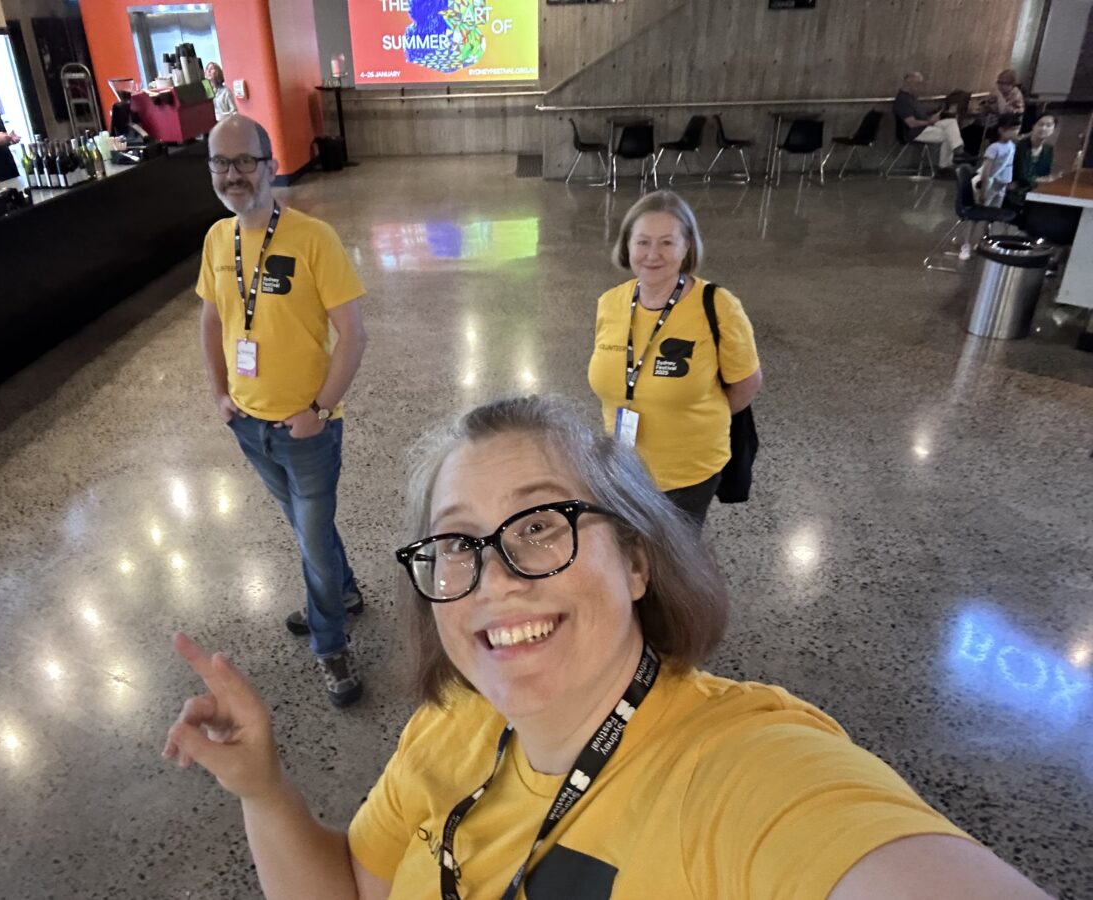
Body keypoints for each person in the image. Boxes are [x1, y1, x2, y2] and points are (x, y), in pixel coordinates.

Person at [163, 395, 1051, 899]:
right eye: (457, 542)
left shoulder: (745, 773)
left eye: (542, 526)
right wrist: (264, 790)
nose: (493, 578)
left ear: (634, 557)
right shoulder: (452, 728)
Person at [196, 114, 369, 707]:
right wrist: (221, 394)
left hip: (306, 428)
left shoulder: (313, 238)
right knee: (306, 527)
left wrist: (319, 409)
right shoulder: (218, 240)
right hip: (248, 426)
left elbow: (353, 335)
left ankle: (331, 644)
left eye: (245, 161)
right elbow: (213, 318)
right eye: (221, 163)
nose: (233, 174)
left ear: (271, 165)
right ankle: (343, 592)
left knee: (312, 538)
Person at [587, 191, 761, 527]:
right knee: (628, 560)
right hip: (623, 468)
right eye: (642, 242)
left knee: (672, 569)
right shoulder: (610, 302)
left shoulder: (719, 305)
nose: (653, 254)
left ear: (687, 248)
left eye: (667, 242)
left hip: (687, 474)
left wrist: (689, 416)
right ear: (628, 247)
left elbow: (746, 384)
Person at [892, 71, 965, 170]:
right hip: (915, 132)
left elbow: (920, 115)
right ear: (909, 82)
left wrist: (935, 113)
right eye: (917, 83)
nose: (919, 87)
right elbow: (912, 123)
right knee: (950, 134)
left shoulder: (911, 97)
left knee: (951, 122)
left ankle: (957, 152)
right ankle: (948, 163)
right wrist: (930, 122)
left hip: (925, 125)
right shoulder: (903, 100)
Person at [963, 69, 1028, 157]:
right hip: (993, 121)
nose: (1000, 86)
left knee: (977, 133)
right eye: (999, 83)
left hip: (1007, 125)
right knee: (967, 131)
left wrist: (998, 95)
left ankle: (973, 158)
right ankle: (969, 157)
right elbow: (987, 104)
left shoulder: (1015, 94)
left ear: (1011, 85)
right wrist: (981, 108)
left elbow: (1003, 111)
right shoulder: (998, 92)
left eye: (1003, 83)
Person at [1008, 114, 1057, 206]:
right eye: (1040, 124)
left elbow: (1045, 174)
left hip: (1032, 191)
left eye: (1048, 125)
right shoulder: (1020, 146)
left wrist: (1043, 181)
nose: (1043, 128)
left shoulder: (1048, 149)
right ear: (1033, 126)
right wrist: (1040, 181)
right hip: (1014, 192)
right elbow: (1022, 175)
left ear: (1053, 130)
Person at [977, 114, 1020, 208]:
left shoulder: (1011, 145)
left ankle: (989, 223)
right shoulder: (994, 148)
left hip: (1002, 184)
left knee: (996, 208)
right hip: (992, 184)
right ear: (1001, 130)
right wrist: (983, 190)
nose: (1016, 132)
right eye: (1013, 129)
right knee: (984, 207)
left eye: (1017, 128)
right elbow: (986, 171)